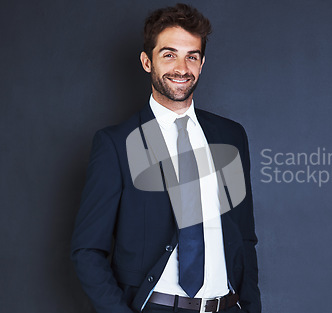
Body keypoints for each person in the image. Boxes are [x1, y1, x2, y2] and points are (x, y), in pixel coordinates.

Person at [70, 4, 261, 313]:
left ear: (202, 63)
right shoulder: (116, 144)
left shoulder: (231, 136)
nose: (181, 68)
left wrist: (251, 306)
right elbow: (87, 250)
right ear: (148, 61)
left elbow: (244, 236)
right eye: (169, 55)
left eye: (192, 56)